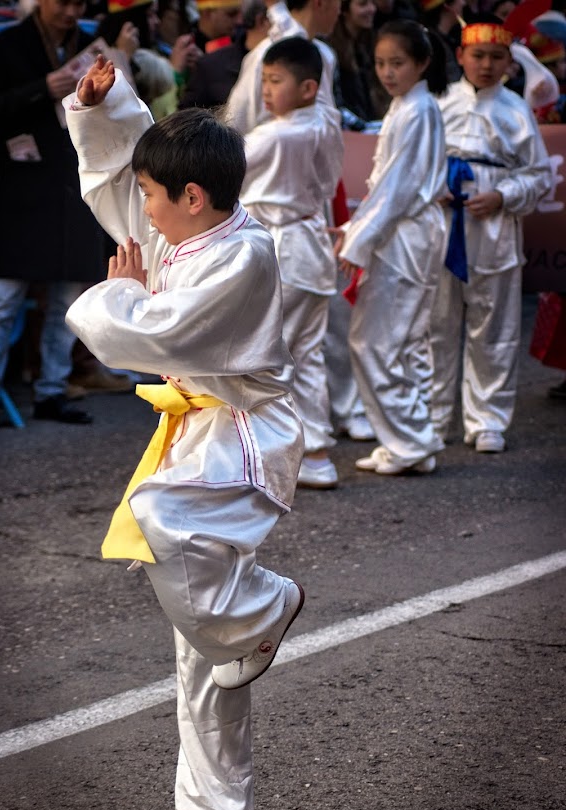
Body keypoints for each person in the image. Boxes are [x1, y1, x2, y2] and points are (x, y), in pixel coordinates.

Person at [63, 55, 305, 810]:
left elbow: (156, 334)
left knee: (164, 519)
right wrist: (105, 108)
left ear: (193, 198)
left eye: (155, 197)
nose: (142, 212)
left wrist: (123, 295)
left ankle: (264, 609)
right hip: (196, 433)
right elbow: (127, 179)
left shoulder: (244, 256)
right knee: (199, 648)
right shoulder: (185, 225)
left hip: (245, 435)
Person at [0, 0, 107, 435]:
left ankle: (52, 390)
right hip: (25, 185)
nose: (71, 11)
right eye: (63, 1)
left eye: (79, 3)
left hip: (77, 183)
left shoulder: (91, 45)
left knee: (69, 301)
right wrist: (41, 88)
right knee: (3, 295)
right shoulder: (8, 44)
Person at [430, 17, 552, 453]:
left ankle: (487, 419)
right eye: (478, 55)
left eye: (496, 57)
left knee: (494, 327)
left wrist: (503, 195)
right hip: (442, 224)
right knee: (435, 324)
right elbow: (412, 161)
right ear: (460, 55)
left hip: (493, 228)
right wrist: (432, 186)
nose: (486, 65)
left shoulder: (516, 110)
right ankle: (432, 416)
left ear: (509, 63)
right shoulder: (438, 102)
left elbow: (539, 175)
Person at [335, 20, 448, 475]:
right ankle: (411, 438)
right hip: (403, 231)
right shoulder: (409, 106)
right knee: (399, 340)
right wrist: (354, 228)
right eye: (381, 63)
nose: (387, 72)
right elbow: (389, 185)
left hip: (405, 235)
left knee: (377, 341)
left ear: (422, 63)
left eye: (397, 63)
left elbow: (397, 188)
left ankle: (409, 441)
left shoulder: (417, 109)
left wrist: (357, 239)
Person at [240, 37, 344, 487]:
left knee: (273, 356)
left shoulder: (276, 134)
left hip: (286, 250)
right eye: (264, 80)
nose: (266, 90)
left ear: (307, 88)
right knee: (306, 355)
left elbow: (224, 168)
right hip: (310, 246)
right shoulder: (326, 121)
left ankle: (277, 455)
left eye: (276, 80)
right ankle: (314, 452)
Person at [226, 0, 341, 135]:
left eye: (275, 80)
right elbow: (237, 122)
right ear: (320, 3)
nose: (339, 11)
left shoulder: (326, 54)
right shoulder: (263, 55)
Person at [178, 0, 270, 109]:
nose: (239, 21)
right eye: (231, 14)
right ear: (262, 20)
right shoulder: (209, 66)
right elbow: (187, 115)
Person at [327, 0, 389, 128]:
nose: (372, 9)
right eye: (363, 4)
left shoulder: (371, 43)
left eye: (373, 3)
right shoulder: (331, 51)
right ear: (344, 10)